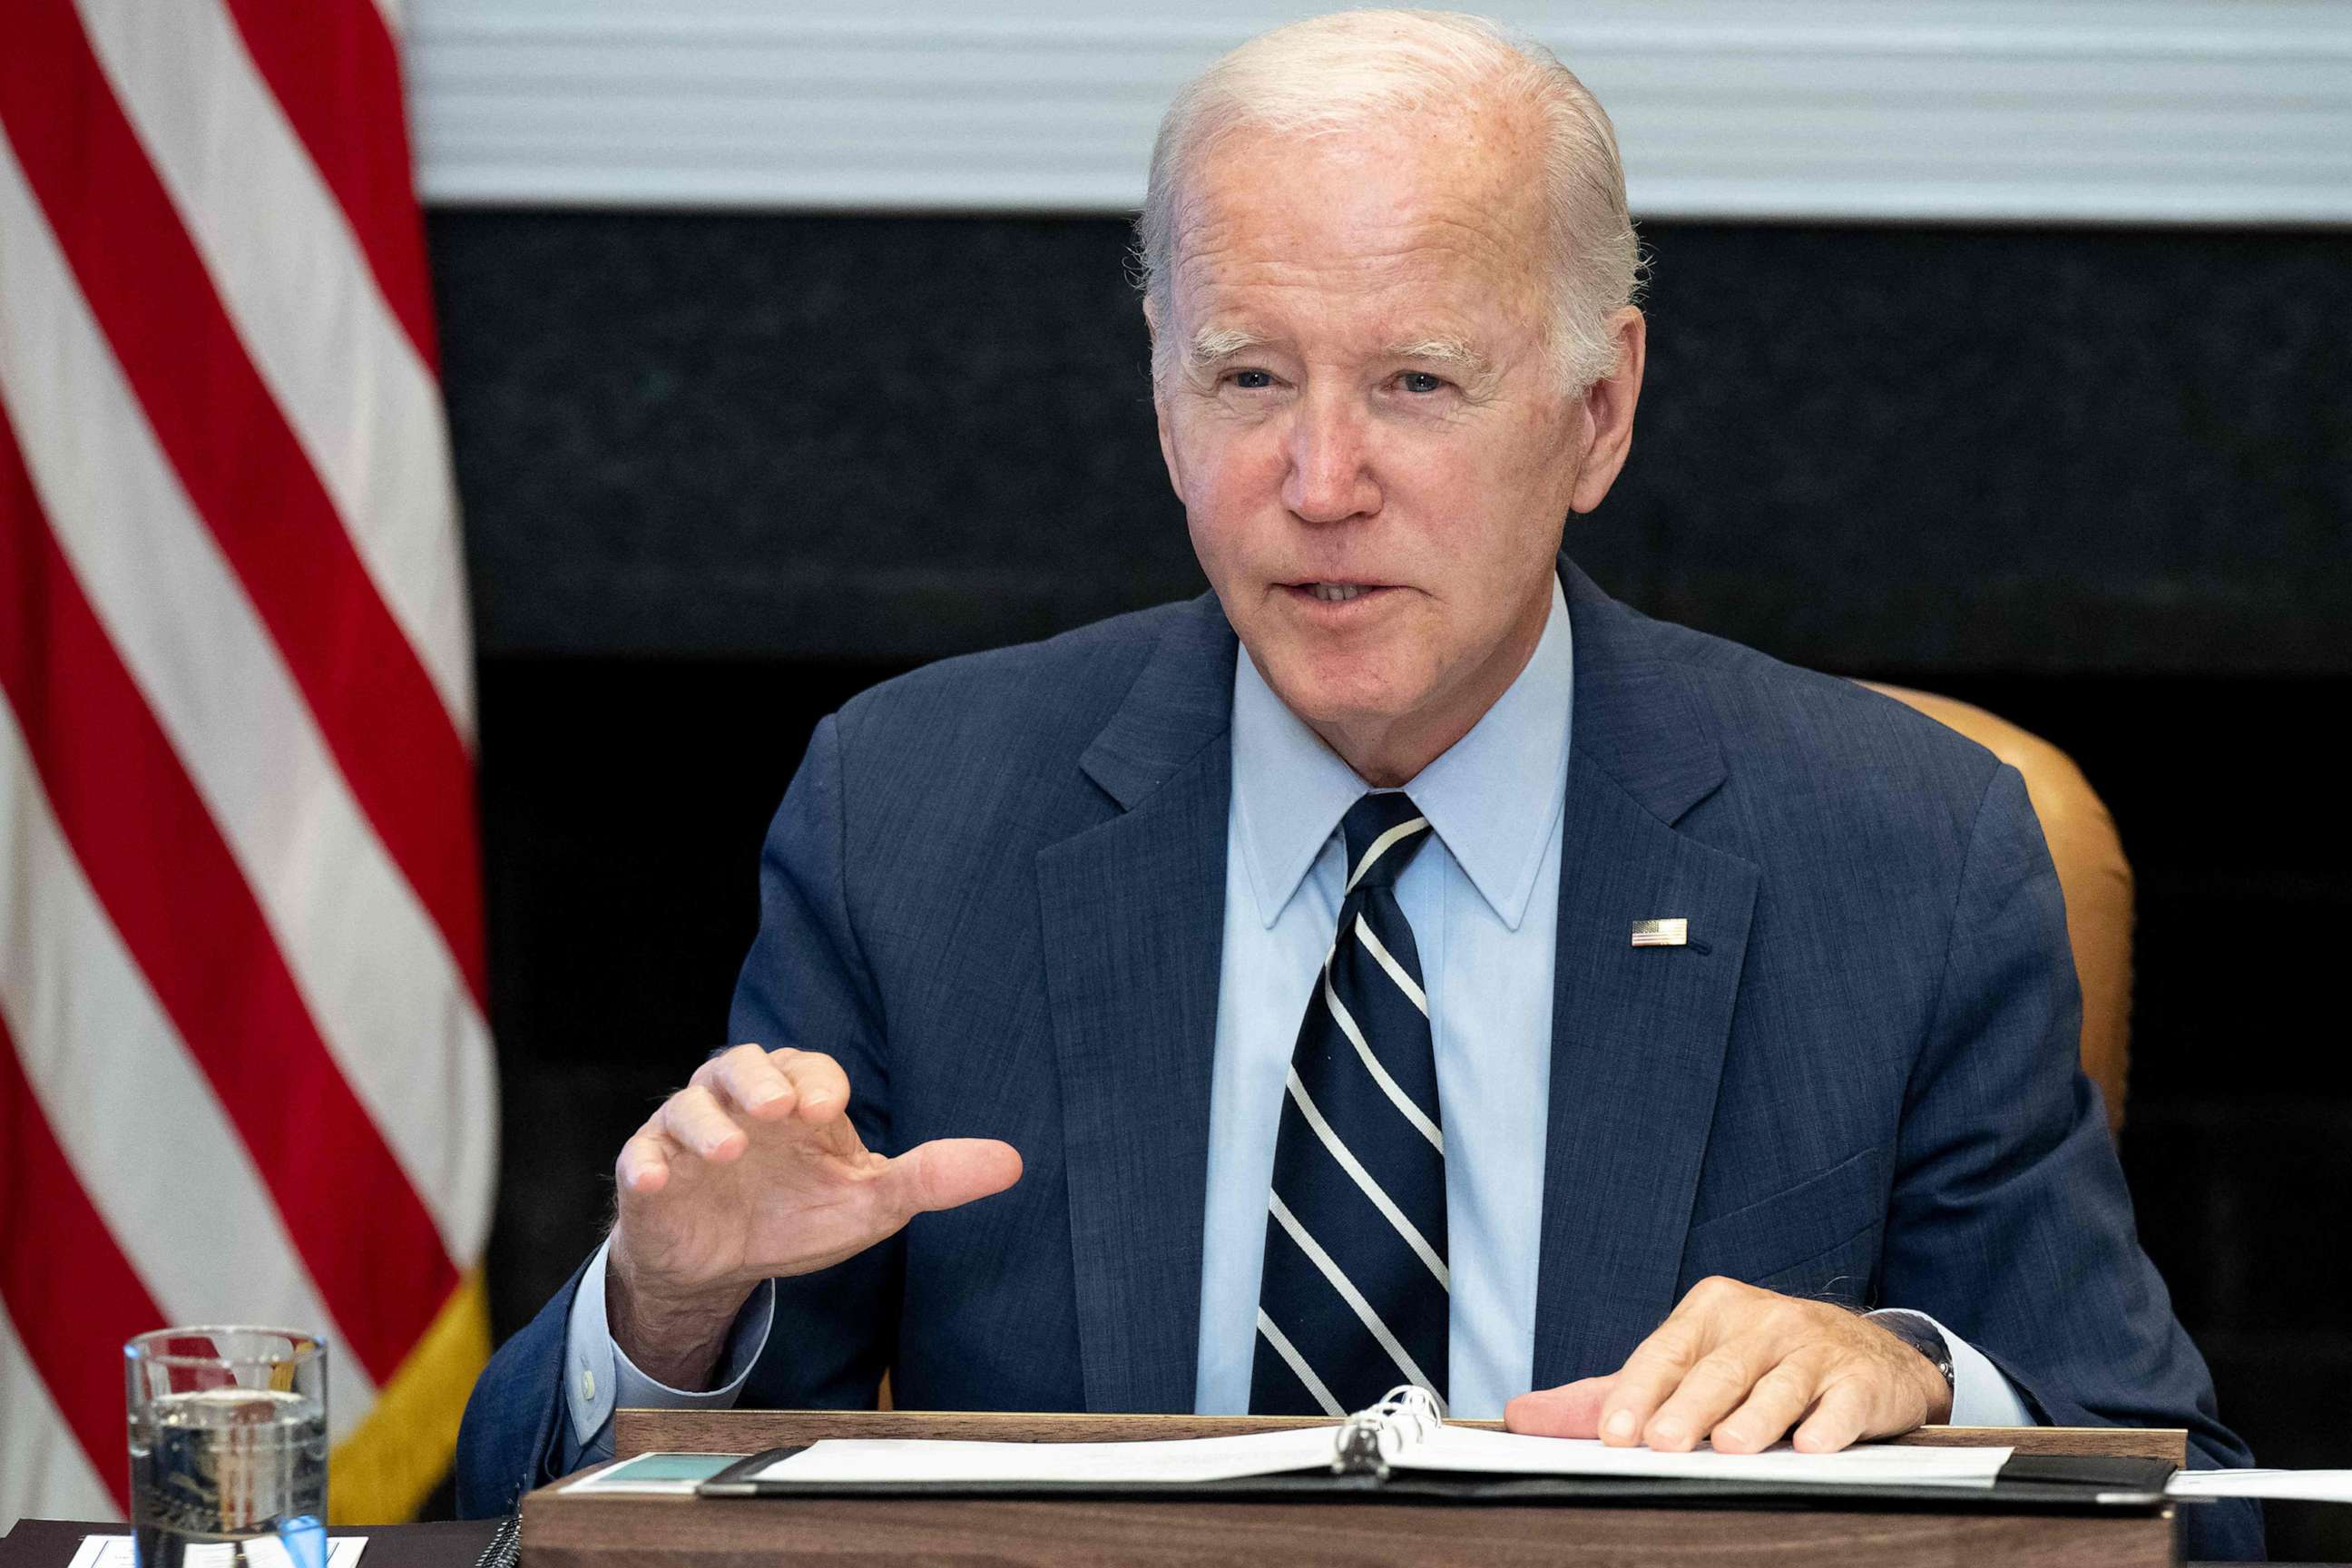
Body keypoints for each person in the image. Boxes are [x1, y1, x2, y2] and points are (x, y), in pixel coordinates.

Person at [456, 12, 2258, 1556]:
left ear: (1598, 411)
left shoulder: (1901, 846)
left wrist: (1922, 1379)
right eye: (1248, 377)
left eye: (1415, 381)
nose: (1321, 480)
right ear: (1163, 401)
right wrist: (674, 1308)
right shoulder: (916, 812)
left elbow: (2208, 1500)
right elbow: (543, 1518)